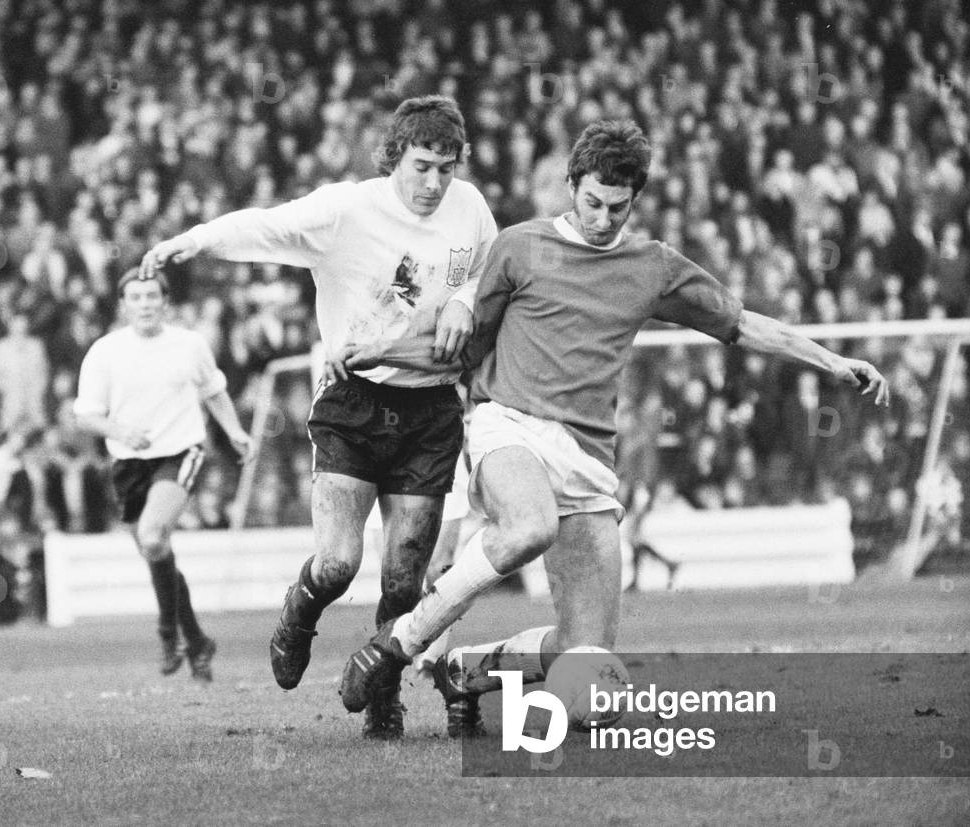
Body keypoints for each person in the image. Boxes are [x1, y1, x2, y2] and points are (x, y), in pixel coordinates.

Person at [337, 120, 890, 736]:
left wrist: (831, 361)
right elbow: (461, 347)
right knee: (529, 527)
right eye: (593, 202)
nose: (603, 218)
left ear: (635, 200)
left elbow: (741, 324)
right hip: (508, 426)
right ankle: (399, 642)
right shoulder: (520, 247)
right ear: (573, 185)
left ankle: (465, 669)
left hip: (587, 462)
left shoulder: (652, 267)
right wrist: (384, 351)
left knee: (591, 677)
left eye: (617, 207)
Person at [139, 96, 497, 738]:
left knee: (402, 579)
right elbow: (264, 225)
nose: (433, 183)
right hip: (354, 401)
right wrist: (191, 241)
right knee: (337, 563)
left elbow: (490, 272)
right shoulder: (346, 210)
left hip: (431, 406)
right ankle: (300, 611)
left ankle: (384, 694)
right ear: (394, 156)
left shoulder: (469, 207)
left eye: (445, 169)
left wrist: (464, 301)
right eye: (421, 167)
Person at [73, 268, 253, 681]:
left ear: (166, 302)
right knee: (156, 552)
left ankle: (168, 634)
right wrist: (120, 431)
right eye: (136, 298)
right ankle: (198, 641)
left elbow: (214, 391)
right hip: (128, 463)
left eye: (152, 296)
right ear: (123, 306)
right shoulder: (105, 351)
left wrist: (235, 431)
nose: (145, 304)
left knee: (153, 536)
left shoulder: (189, 344)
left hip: (180, 450)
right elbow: (85, 416)